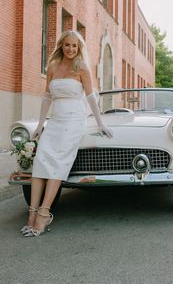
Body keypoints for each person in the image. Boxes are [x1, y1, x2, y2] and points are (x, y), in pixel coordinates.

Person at [21, 30, 113, 237]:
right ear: (61, 46)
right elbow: (46, 97)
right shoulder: (53, 66)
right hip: (55, 121)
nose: (71, 49)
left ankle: (44, 213)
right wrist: (39, 125)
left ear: (79, 48)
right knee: (41, 161)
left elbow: (90, 97)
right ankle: (31, 213)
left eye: (75, 46)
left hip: (73, 120)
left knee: (57, 163)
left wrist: (100, 123)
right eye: (67, 45)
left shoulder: (82, 68)